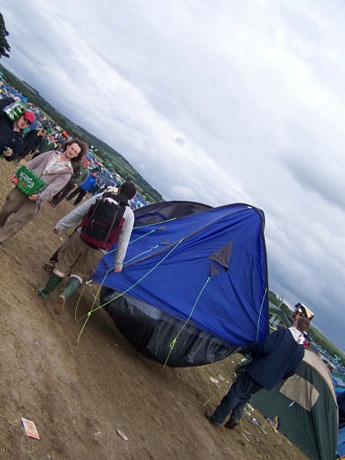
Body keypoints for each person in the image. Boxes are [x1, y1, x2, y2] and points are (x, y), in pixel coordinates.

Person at [37, 182, 137, 315]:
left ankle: (45, 292)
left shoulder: (102, 196)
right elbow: (123, 240)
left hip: (81, 236)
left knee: (63, 264)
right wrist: (118, 263)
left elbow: (79, 212)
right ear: (131, 198)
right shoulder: (129, 214)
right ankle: (64, 294)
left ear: (119, 189)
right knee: (80, 273)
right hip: (99, 248)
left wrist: (61, 225)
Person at [204, 316, 310, 429]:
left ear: (295, 323)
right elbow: (291, 371)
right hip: (268, 380)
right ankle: (235, 418)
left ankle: (217, 419)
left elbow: (265, 347)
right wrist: (277, 376)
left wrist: (251, 349)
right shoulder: (301, 350)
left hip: (258, 370)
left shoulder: (283, 333)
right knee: (245, 395)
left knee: (236, 392)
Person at [0, 138, 88, 244]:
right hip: (24, 186)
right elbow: (31, 164)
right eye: (72, 148)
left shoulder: (67, 172)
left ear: (76, 156)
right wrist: (19, 172)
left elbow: (53, 189)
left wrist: (39, 196)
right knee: (6, 209)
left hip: (36, 199)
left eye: (75, 152)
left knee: (18, 221)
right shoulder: (50, 154)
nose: (72, 152)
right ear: (68, 146)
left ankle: (1, 237)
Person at [0, 96, 36, 161]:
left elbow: (14, 154)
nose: (24, 123)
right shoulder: (5, 119)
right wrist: (11, 99)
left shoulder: (19, 138)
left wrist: (11, 154)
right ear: (20, 115)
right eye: (24, 119)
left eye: (27, 123)